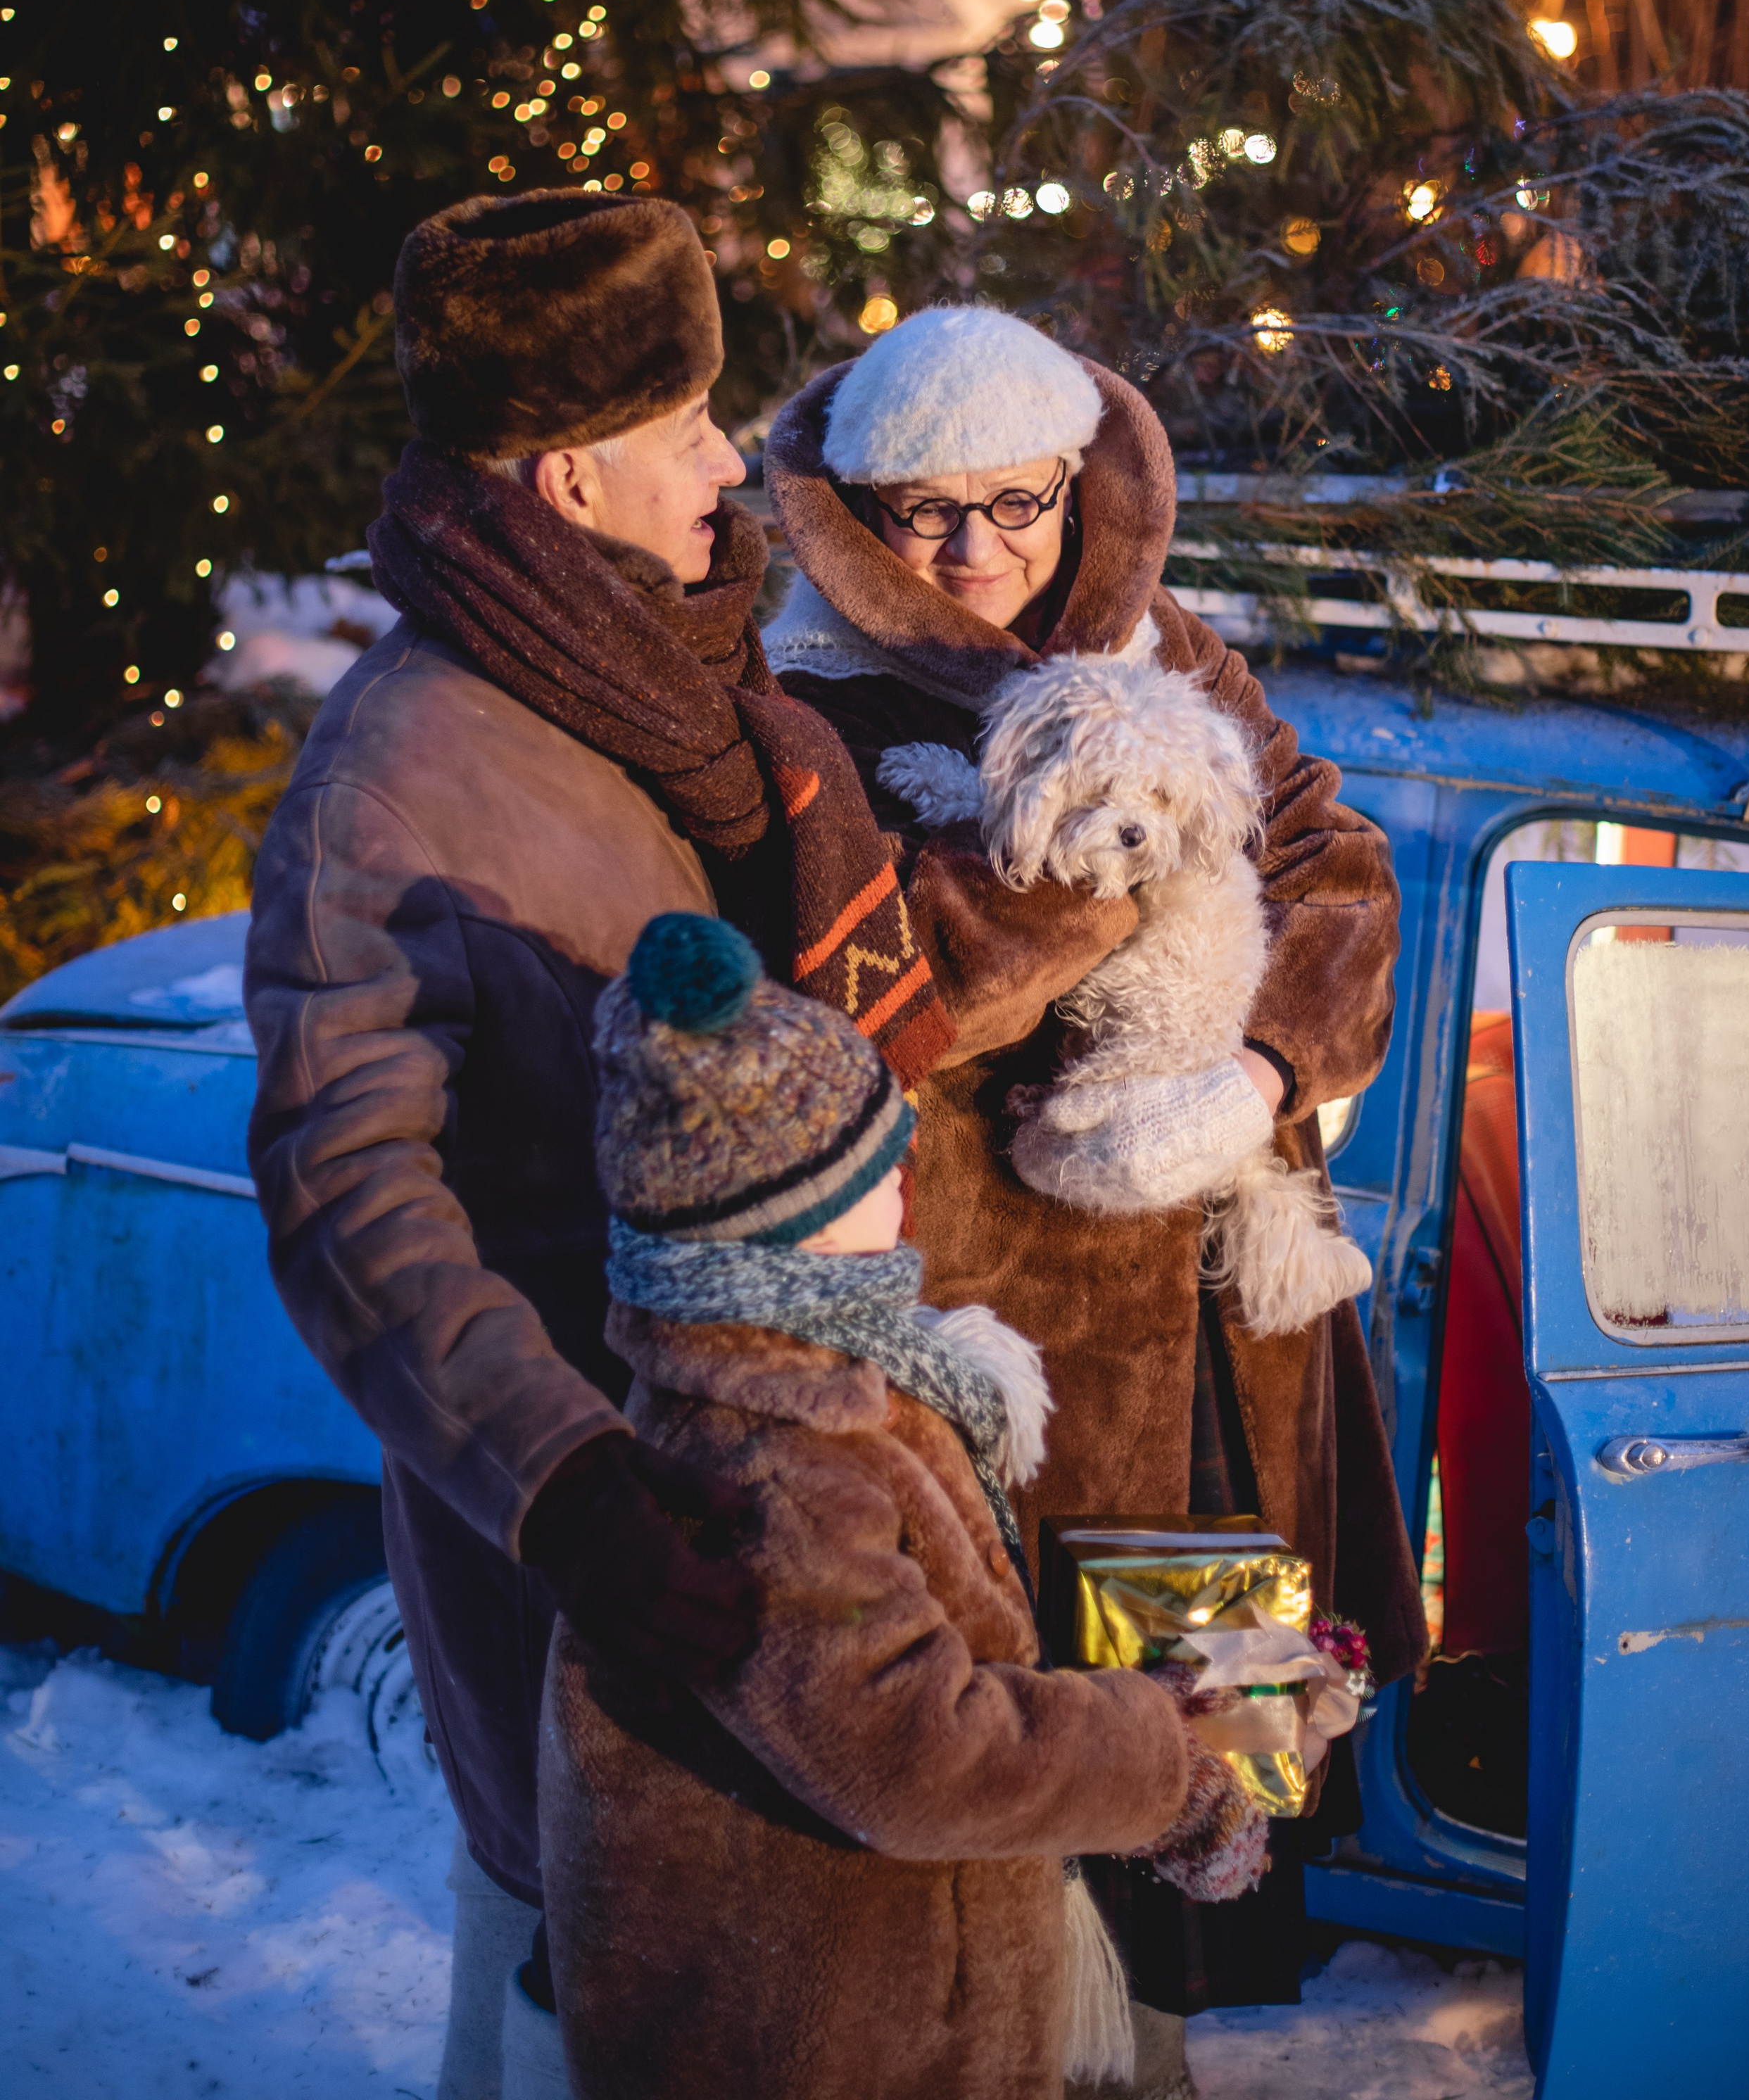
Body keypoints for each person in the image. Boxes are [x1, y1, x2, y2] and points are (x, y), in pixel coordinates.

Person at [243, 198, 1118, 2097]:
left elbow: (836, 1020)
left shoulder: (711, 702)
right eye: (695, 423)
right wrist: (570, 1495)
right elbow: (346, 1202)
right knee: (605, 2017)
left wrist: (1087, 897)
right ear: (574, 474)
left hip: (841, 1517)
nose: (735, 460)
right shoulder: (397, 778)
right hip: (625, 1571)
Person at [762, 304, 1427, 2087]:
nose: (976, 551)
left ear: (1075, 484)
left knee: (1216, 1749)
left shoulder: (1176, 645)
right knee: (1020, 1766)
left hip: (1218, 1316)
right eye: (921, 513)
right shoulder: (802, 696)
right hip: (1002, 1323)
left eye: (1016, 501)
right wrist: (1112, 852)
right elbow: (882, 997)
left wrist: (1268, 1069)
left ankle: (1165, 2047)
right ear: (856, 512)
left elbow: (1332, 861)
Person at [541, 910, 1349, 2100]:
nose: (904, 1181)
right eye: (878, 1168)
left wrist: (1193, 1688)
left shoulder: (824, 1379)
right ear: (794, 1219)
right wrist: (1166, 1757)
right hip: (831, 2040)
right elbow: (915, 1754)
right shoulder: (773, 1468)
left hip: (882, 2001)